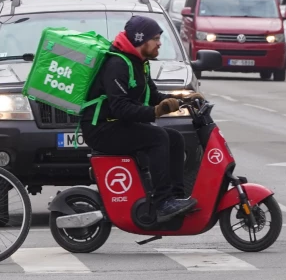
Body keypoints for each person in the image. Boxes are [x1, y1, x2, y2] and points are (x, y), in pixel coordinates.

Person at [80, 15, 199, 223]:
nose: (159, 43)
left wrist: (183, 100)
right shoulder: (117, 64)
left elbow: (154, 96)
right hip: (100, 129)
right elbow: (120, 108)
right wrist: (155, 112)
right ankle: (163, 203)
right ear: (140, 40)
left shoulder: (140, 63)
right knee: (158, 137)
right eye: (156, 38)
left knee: (175, 138)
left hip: (118, 125)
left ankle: (176, 197)